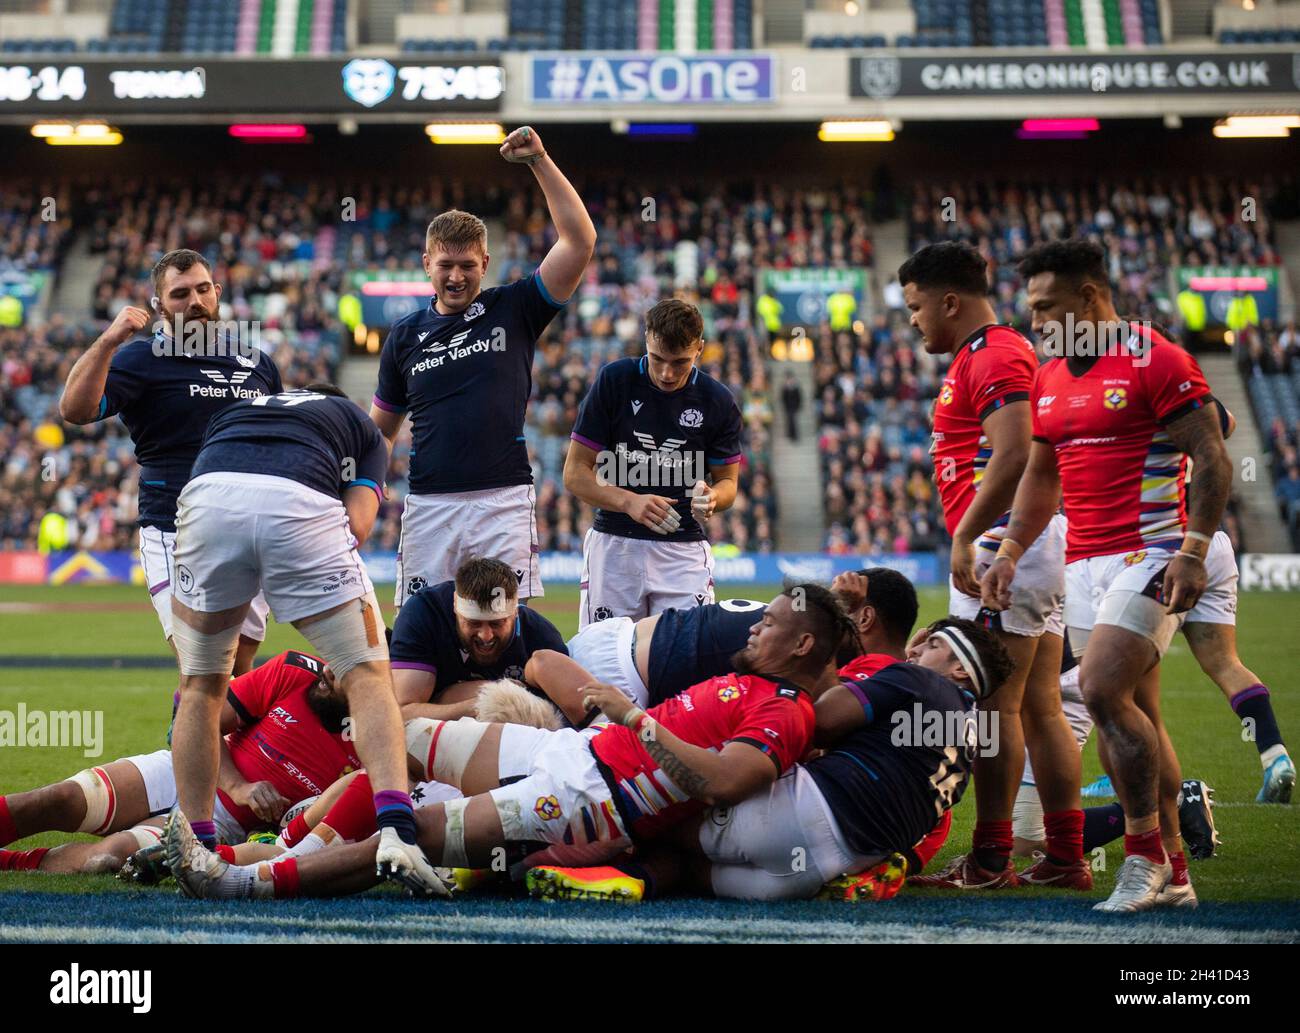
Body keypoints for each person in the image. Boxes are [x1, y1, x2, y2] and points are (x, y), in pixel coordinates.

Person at [164, 585, 852, 901]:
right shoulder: (750, 681)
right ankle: (282, 853)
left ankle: (244, 879)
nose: (755, 627)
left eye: (771, 623)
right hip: (578, 753)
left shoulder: (787, 711)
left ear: (803, 643)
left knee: (405, 835)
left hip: (590, 800)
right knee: (398, 741)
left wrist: (635, 719)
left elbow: (725, 781)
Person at [982, 239, 1232, 913]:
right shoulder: (1050, 374)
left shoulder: (1158, 359)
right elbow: (1040, 475)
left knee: (1097, 688)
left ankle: (1145, 855)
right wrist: (1009, 551)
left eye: (1045, 307)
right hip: (1084, 566)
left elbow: (1211, 455)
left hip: (1151, 554)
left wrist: (1194, 546)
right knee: (1137, 711)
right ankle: (1177, 870)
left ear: (1090, 298)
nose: (1034, 322)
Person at [526, 617, 1015, 903]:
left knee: (656, 813)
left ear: (957, 669)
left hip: (799, 815)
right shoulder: (969, 748)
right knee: (694, 877)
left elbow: (819, 721)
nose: (918, 650)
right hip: (817, 870)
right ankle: (634, 884)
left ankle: (522, 856)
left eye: (934, 646)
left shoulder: (919, 681)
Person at [166, 383, 437, 888]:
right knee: (367, 674)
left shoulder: (241, 409)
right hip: (295, 505)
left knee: (200, 686)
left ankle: (198, 847)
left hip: (206, 500)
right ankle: (398, 830)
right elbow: (356, 525)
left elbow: (215, 477)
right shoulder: (362, 428)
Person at [898, 241, 1084, 892]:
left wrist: (968, 537)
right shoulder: (989, 353)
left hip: (1006, 548)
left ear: (951, 301)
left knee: (996, 709)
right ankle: (1065, 855)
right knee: (1039, 706)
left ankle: (991, 858)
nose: (914, 320)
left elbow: (1016, 457)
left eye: (917, 307)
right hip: (1029, 546)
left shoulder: (996, 353)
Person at [370, 126, 596, 606]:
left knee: (500, 630)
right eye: (445, 264)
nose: (456, 276)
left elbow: (579, 241)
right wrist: (362, 491)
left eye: (468, 265)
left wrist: (539, 160)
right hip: (429, 504)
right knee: (423, 634)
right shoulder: (404, 336)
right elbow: (379, 433)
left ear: (486, 262)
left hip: (503, 500)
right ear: (426, 263)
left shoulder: (514, 308)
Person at [59, 248, 281, 675]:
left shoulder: (258, 363)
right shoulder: (139, 359)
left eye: (202, 290)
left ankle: (207, 741)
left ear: (217, 293)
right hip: (175, 530)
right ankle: (186, 741)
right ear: (159, 307)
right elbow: (75, 409)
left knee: (240, 672)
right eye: (180, 294)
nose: (194, 301)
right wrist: (109, 340)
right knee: (202, 668)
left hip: (249, 531)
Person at [0, 651, 355, 874]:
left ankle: (10, 864)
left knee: (107, 858)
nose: (328, 670)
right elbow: (199, 720)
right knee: (59, 799)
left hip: (222, 826)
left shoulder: (375, 748)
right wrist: (238, 786)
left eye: (343, 669)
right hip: (183, 768)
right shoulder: (295, 670)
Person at [565, 299, 743, 628]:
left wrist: (713, 498)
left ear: (700, 349)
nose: (666, 373)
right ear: (646, 338)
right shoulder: (614, 381)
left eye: (680, 362)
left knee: (684, 665)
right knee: (604, 662)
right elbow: (575, 474)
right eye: (658, 358)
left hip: (683, 548)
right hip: (615, 545)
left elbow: (729, 484)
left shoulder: (717, 400)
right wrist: (629, 501)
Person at [388, 556, 570, 722]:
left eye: (497, 624)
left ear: (515, 611)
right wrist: (488, 705)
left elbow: (563, 721)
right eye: (474, 623)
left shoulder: (541, 637)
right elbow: (401, 713)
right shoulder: (424, 614)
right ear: (455, 606)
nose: (486, 635)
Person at [780, 371, 803, 442]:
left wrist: (798, 406)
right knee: (790, 420)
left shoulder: (796, 388)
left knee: (793, 420)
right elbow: (783, 398)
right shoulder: (785, 388)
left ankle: (794, 435)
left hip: (794, 407)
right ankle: (790, 434)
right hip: (788, 407)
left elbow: (799, 398)